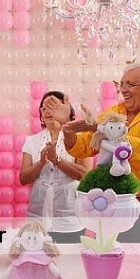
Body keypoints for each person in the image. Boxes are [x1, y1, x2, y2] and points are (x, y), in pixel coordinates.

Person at [43, 63, 140, 242]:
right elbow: (84, 146)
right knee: (110, 253)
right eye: (121, 84)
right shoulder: (114, 112)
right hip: (111, 206)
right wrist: (67, 127)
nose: (123, 90)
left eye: (130, 85)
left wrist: (102, 129)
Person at [19, 91, 92, 243]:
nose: (48, 111)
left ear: (67, 111)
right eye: (44, 108)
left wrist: (57, 160)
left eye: (53, 106)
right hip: (36, 219)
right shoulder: (32, 141)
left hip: (70, 220)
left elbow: (85, 174)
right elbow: (23, 178)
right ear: (41, 115)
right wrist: (41, 162)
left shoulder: (80, 139)